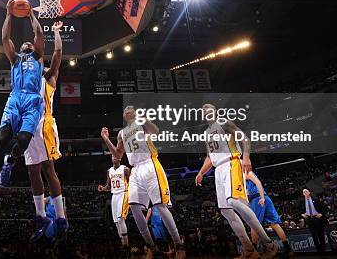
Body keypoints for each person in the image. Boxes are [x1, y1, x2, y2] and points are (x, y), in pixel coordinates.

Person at [0, 0, 45, 218]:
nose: (27, 43)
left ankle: (10, 161)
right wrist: (8, 14)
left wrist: (30, 16)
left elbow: (39, 36)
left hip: (33, 101)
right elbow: (5, 37)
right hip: (15, 99)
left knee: (24, 141)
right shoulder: (14, 58)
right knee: (2, 141)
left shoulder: (37, 57)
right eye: (24, 43)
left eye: (29, 43)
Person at [101, 106, 186, 259]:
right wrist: (106, 139)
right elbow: (118, 155)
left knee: (160, 206)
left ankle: (178, 243)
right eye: (125, 110)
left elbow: (156, 130)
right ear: (123, 116)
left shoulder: (141, 123)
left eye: (130, 109)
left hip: (150, 164)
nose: (127, 110)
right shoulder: (122, 133)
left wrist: (142, 117)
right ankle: (151, 247)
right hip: (135, 170)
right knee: (133, 207)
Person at [195, 104, 278, 259]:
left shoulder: (224, 123)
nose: (206, 110)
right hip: (218, 169)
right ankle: (249, 250)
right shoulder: (206, 133)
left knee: (233, 201)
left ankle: (269, 244)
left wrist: (245, 157)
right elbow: (209, 157)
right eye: (203, 110)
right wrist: (201, 172)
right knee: (226, 211)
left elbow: (244, 138)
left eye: (209, 108)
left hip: (231, 162)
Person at [23, 21, 68, 241]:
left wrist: (56, 32)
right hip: (26, 127)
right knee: (32, 172)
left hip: (45, 125)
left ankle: (61, 217)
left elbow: (58, 51)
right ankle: (41, 217)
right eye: (24, 49)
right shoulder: (20, 77)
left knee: (49, 170)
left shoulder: (47, 77)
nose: (26, 50)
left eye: (29, 48)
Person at [245, 171, 291, 255]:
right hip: (264, 198)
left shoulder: (246, 173)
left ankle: (253, 252)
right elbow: (247, 192)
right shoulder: (246, 176)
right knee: (274, 224)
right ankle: (288, 249)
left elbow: (258, 183)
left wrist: (261, 197)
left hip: (258, 199)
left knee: (253, 225)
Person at [98, 155, 130, 249]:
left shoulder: (125, 169)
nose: (114, 158)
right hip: (114, 195)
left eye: (116, 156)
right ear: (111, 158)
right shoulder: (110, 171)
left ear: (120, 158)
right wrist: (103, 188)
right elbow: (109, 186)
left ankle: (126, 244)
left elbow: (132, 183)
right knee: (116, 221)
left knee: (120, 219)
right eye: (113, 156)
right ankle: (122, 242)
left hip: (123, 193)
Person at [301, 187, 328, 254]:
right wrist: (302, 215)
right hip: (309, 220)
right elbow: (299, 211)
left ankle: (323, 250)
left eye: (306, 191)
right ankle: (318, 250)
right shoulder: (302, 202)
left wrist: (321, 214)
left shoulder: (316, 200)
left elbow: (324, 207)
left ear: (309, 192)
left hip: (317, 219)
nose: (305, 193)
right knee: (314, 235)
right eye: (304, 192)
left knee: (320, 235)